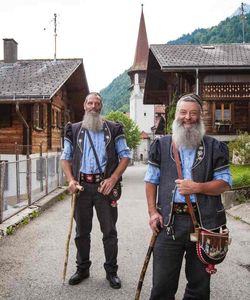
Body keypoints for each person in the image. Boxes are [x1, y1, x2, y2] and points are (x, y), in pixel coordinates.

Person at [144, 93, 232, 300]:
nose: (188, 117)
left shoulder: (214, 147)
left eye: (193, 113)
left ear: (200, 116)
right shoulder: (162, 145)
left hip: (205, 225)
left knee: (199, 288)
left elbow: (224, 183)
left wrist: (197, 187)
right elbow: (151, 180)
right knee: (162, 287)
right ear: (176, 115)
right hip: (168, 224)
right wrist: (152, 212)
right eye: (183, 112)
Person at [61, 92, 131, 289]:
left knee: (109, 232)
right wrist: (71, 180)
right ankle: (82, 269)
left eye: (97, 103)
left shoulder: (114, 129)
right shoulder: (73, 130)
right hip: (81, 187)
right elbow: (65, 157)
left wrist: (114, 178)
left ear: (101, 107)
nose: (93, 106)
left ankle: (111, 272)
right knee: (81, 232)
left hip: (104, 187)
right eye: (90, 103)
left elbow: (125, 156)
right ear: (84, 106)